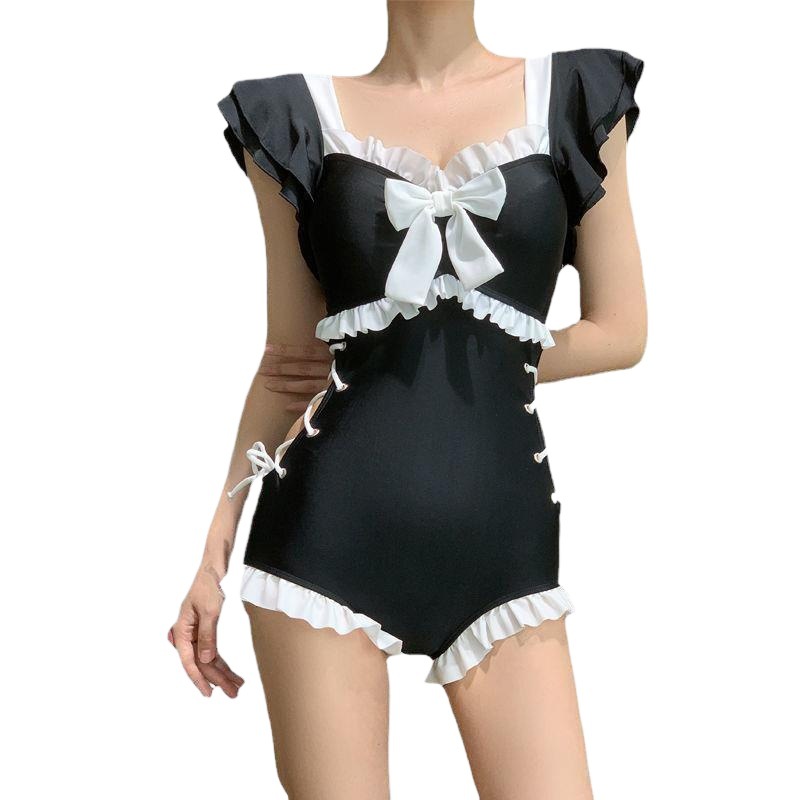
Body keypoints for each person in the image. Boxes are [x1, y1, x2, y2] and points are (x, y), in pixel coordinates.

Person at [169, 2, 646, 797]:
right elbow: (290, 365)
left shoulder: (576, 93)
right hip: (322, 544)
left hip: (506, 550)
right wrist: (211, 556)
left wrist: (488, 355)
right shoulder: (291, 116)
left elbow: (621, 331)